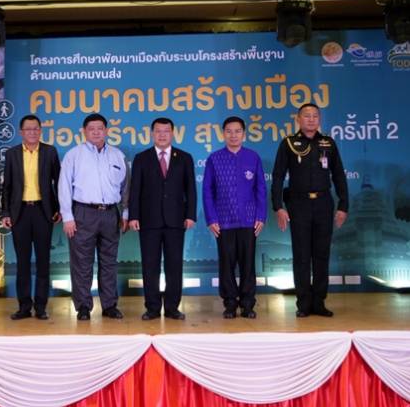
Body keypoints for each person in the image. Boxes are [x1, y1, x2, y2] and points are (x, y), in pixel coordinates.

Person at [271, 103, 348, 318]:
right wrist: (278, 206)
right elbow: (278, 176)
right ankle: (303, 303)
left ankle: (319, 302)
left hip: (324, 203)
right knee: (302, 255)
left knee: (322, 255)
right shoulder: (288, 143)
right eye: (307, 116)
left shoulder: (328, 143)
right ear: (298, 119)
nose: (311, 119)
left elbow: (338, 175)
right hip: (299, 204)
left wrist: (343, 206)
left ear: (319, 119)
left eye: (315, 116)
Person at [58, 114, 129, 321]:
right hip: (83, 213)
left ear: (106, 131)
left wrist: (125, 213)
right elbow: (64, 186)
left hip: (110, 214)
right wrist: (67, 217)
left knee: (109, 262)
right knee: (82, 263)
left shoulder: (117, 155)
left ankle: (109, 305)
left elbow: (126, 187)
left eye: (100, 128)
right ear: (84, 132)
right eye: (92, 129)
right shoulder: (74, 155)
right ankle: (83, 306)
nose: (96, 132)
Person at [129, 117, 196, 320]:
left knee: (174, 266)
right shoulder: (142, 158)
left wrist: (190, 215)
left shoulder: (184, 158)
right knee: (150, 266)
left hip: (176, 221)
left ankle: (172, 307)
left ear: (173, 133)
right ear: (152, 134)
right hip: (149, 221)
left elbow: (190, 190)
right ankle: (152, 307)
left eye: (166, 131)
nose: (162, 135)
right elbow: (135, 190)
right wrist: (133, 215)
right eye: (158, 131)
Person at [202, 116, 266, 319]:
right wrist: (212, 219)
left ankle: (247, 304)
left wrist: (261, 216)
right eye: (229, 131)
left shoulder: (253, 157)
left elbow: (260, 189)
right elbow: (207, 191)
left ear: (244, 134)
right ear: (223, 134)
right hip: (223, 222)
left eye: (237, 131)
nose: (233, 135)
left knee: (248, 265)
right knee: (226, 265)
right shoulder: (214, 159)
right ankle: (230, 303)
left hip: (249, 221)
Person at [1, 115, 61, 320]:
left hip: (43, 212)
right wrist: (6, 212)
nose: (32, 132)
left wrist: (58, 208)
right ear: (21, 132)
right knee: (23, 262)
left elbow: (58, 182)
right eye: (28, 129)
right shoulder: (12, 154)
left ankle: (41, 306)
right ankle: (24, 306)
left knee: (43, 260)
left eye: (36, 129)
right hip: (20, 213)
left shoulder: (50, 152)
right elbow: (7, 186)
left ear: (40, 130)